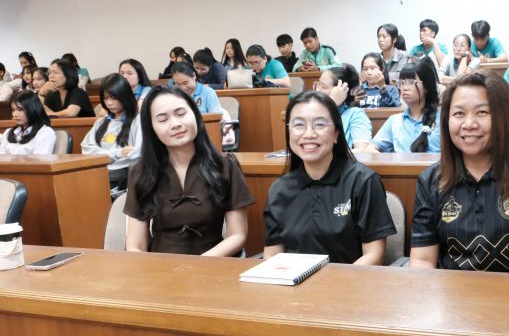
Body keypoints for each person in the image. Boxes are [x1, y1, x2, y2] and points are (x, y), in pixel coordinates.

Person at [409, 72, 509, 272]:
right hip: (448, 290)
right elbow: (422, 260)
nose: (469, 124)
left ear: (504, 117)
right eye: (459, 114)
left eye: (482, 112)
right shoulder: (430, 180)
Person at [263, 90, 396, 264]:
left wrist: (336, 281)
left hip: (350, 279)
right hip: (293, 280)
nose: (309, 134)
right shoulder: (279, 189)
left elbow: (374, 255)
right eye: (299, 125)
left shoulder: (363, 182)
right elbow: (272, 255)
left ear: (336, 134)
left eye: (319, 124)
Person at [124, 85, 254, 256]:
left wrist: (198, 264)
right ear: (152, 129)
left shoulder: (225, 165)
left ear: (195, 115)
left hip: (213, 263)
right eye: (162, 119)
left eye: (181, 113)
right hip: (161, 267)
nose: (175, 124)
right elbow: (135, 246)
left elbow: (237, 235)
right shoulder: (141, 172)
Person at [81, 74, 142, 190]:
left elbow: (136, 154)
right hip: (99, 169)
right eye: (105, 98)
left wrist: (103, 155)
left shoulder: (138, 121)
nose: (109, 103)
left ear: (125, 96)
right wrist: (117, 153)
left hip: (123, 173)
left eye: (113, 98)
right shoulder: (101, 122)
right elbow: (86, 149)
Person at [367, 58, 441, 153]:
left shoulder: (442, 118)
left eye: (411, 83)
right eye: (402, 83)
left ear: (426, 87)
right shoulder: (395, 121)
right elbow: (370, 149)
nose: (405, 88)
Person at [314, 65, 373, 149]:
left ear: (341, 90)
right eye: (318, 84)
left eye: (323, 87)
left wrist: (332, 104)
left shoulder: (355, 114)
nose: (317, 90)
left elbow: (362, 151)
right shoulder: (311, 111)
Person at [0, 90, 55, 155]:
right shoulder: (8, 132)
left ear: (32, 109)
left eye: (20, 109)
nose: (15, 114)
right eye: (13, 110)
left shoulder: (45, 132)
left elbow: (40, 160)